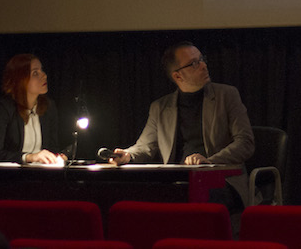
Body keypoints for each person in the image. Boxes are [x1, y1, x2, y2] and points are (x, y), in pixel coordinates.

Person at [109, 42, 255, 212]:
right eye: (194, 63)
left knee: (196, 200)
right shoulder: (160, 107)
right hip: (178, 181)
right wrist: (127, 155)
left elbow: (245, 143)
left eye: (202, 59)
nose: (203, 65)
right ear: (178, 76)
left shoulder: (227, 95)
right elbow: (145, 146)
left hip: (221, 180)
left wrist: (210, 161)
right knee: (140, 200)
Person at [0, 53, 67, 164]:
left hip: (41, 172)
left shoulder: (49, 107)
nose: (44, 75)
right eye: (35, 73)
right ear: (20, 79)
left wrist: (57, 156)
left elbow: (52, 147)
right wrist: (28, 157)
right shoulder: (4, 107)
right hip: (10, 173)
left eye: (42, 70)